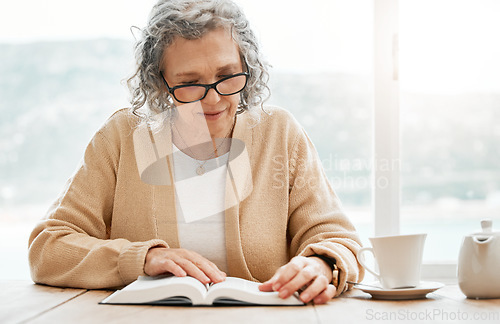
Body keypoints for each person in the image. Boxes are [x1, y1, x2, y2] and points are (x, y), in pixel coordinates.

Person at [28, 0, 364, 304]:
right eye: (190, 82)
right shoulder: (121, 137)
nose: (214, 99)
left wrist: (322, 263)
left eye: (227, 75)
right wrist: (141, 258)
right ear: (160, 83)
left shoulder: (280, 133)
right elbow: (48, 248)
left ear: (247, 65)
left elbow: (340, 240)